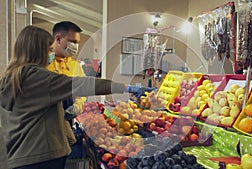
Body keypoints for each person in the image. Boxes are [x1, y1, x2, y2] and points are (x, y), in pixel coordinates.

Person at [0, 25, 152, 169]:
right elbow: (81, 84)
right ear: (39, 52)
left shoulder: (9, 77)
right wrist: (126, 87)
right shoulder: (38, 77)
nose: (51, 55)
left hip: (19, 153)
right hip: (42, 155)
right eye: (49, 50)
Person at [46, 21, 87, 146]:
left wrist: (77, 106)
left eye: (77, 43)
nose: (75, 46)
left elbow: (83, 91)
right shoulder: (43, 62)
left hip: (66, 124)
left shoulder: (75, 66)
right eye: (73, 41)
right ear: (58, 38)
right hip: (44, 126)